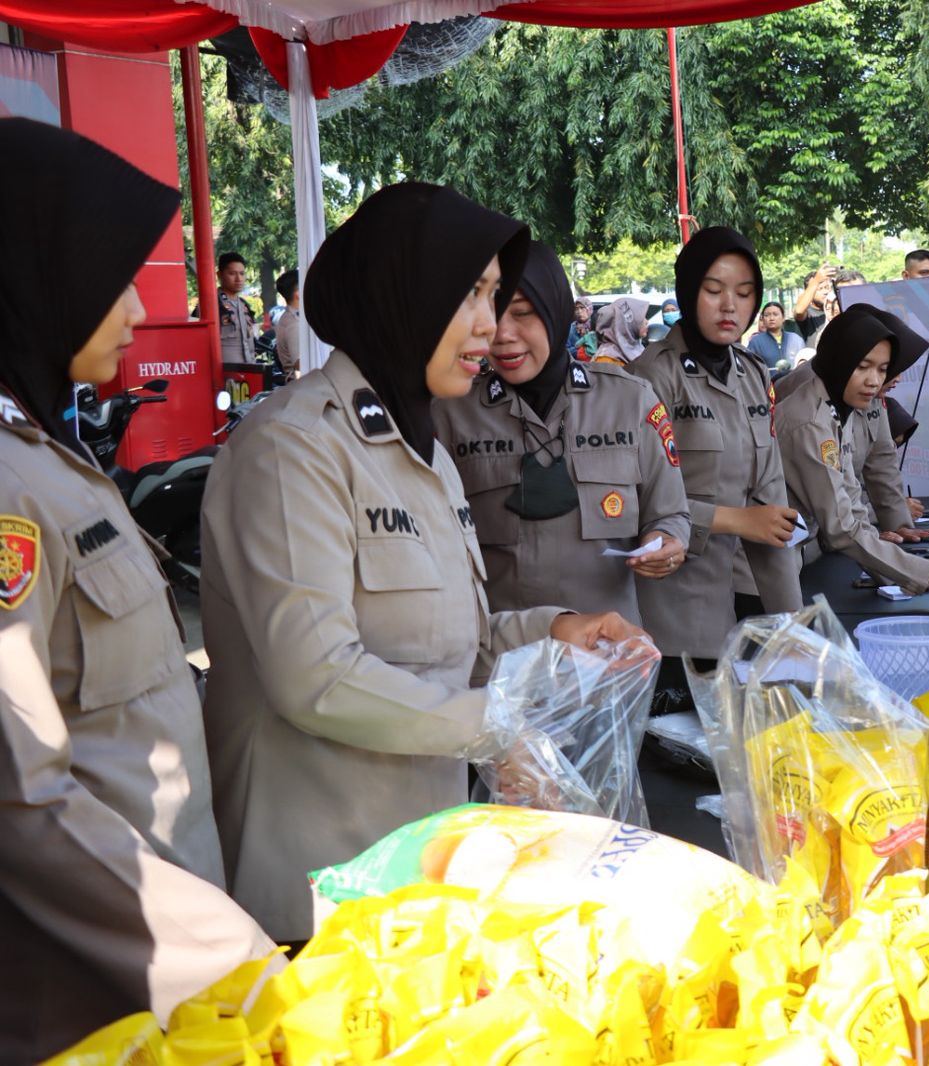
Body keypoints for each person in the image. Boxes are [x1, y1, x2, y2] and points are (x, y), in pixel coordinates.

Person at [200, 183, 644, 942]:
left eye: (496, 296)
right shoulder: (293, 447)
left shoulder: (425, 451)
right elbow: (317, 677)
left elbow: (451, 639)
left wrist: (555, 629)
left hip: (421, 871)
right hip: (319, 892)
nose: (490, 324)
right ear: (400, 291)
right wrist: (495, 727)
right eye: (470, 293)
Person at [0, 118, 276, 1061]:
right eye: (108, 279)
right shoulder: (10, 485)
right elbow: (22, 797)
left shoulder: (49, 453)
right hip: (110, 980)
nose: (132, 309)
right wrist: (217, 950)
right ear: (34, 277)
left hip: (168, 938)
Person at [434, 240, 689, 629]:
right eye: (489, 314)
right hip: (500, 655)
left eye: (522, 313)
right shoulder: (451, 413)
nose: (502, 334)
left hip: (611, 651)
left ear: (555, 309)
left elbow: (669, 511)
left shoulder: (629, 400)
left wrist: (667, 542)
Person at [628, 226, 802, 668]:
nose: (730, 306)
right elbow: (632, 500)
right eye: (713, 290)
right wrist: (736, 520)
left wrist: (793, 628)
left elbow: (771, 507)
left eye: (744, 293)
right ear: (688, 291)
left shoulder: (752, 374)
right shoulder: (650, 376)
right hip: (665, 618)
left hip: (734, 608)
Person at [776, 305, 929, 600]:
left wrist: (906, 571)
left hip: (794, 553)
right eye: (863, 366)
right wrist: (927, 574)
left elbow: (851, 496)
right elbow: (842, 527)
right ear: (839, 360)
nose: (874, 380)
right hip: (764, 565)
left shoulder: (838, 406)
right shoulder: (811, 421)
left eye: (883, 369)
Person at [212, 250, 257, 362]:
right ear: (219, 275)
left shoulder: (244, 305)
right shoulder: (212, 304)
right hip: (223, 369)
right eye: (232, 274)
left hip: (248, 367)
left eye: (242, 273)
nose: (239, 279)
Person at [589, 296, 649, 364]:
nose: (646, 321)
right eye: (641, 317)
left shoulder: (636, 346)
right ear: (625, 323)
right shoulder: (606, 359)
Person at [748, 300, 804, 370]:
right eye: (767, 315)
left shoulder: (795, 339)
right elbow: (750, 368)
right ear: (763, 319)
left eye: (775, 314)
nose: (771, 318)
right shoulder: (756, 342)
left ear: (783, 318)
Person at [792, 263, 838, 346]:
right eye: (820, 289)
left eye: (827, 287)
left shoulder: (836, 309)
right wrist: (816, 281)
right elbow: (799, 311)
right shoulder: (808, 313)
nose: (825, 292)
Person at [273, 267, 303, 380]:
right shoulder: (293, 323)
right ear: (298, 293)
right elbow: (300, 364)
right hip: (301, 385)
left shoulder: (294, 318)